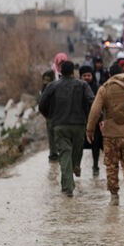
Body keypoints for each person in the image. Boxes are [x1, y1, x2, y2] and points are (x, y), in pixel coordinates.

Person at [86, 63, 124, 206]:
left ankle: (114, 196)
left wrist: (90, 130)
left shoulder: (104, 88)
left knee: (111, 165)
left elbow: (95, 111)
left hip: (110, 134)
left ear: (110, 75)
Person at [38, 60, 95, 196]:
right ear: (73, 72)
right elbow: (92, 101)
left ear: (60, 72)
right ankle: (69, 183)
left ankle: (68, 187)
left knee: (64, 155)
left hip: (59, 125)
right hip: (79, 125)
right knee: (74, 154)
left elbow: (41, 105)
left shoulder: (52, 86)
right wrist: (93, 119)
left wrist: (50, 117)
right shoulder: (82, 85)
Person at [79, 65, 103, 176]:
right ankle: (77, 166)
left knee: (96, 145)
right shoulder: (77, 88)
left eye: (89, 75)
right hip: (81, 121)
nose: (87, 77)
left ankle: (95, 166)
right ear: (80, 77)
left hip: (95, 121)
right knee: (79, 145)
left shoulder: (98, 88)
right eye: (84, 76)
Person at [40, 68, 58, 162]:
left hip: (51, 115)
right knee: (54, 136)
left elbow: (41, 105)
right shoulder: (54, 87)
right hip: (53, 115)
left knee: (52, 136)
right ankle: (54, 155)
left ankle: (54, 155)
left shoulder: (45, 88)